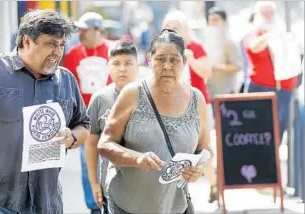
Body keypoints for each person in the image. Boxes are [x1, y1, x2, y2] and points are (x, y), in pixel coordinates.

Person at [0, 9, 90, 214]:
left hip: (44, 201)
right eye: (51, 44)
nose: (58, 52)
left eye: (61, 45)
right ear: (27, 41)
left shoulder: (65, 79)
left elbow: (83, 125)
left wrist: (71, 137)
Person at [97, 29, 213, 214]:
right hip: (128, 206)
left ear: (184, 62)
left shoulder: (196, 99)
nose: (167, 66)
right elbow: (104, 144)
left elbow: (205, 149)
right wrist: (137, 158)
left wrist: (197, 169)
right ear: (150, 60)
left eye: (174, 60)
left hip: (174, 206)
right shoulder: (132, 94)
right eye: (160, 59)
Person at [162, 10, 218, 203]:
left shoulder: (196, 47)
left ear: (184, 29)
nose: (171, 30)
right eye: (168, 27)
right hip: (173, 107)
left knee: (203, 148)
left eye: (176, 27)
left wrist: (189, 57)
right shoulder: (161, 50)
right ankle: (179, 196)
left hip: (199, 105)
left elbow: (206, 73)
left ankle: (214, 184)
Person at [62, 11, 112, 214]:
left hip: (112, 117)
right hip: (85, 119)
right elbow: (67, 86)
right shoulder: (73, 54)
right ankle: (94, 206)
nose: (80, 33)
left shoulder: (113, 50)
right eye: (79, 30)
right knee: (87, 163)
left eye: (85, 30)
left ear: (98, 30)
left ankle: (113, 202)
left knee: (112, 162)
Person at [85, 40, 139, 213]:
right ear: (108, 66)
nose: (122, 69)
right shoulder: (100, 99)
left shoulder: (150, 97)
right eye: (116, 63)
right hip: (111, 185)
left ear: (138, 66)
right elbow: (91, 143)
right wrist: (94, 183)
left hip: (144, 186)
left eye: (128, 63)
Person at [244, 1, 299, 141]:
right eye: (264, 13)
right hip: (260, 88)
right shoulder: (254, 33)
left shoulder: (284, 33)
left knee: (279, 127)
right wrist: (270, 35)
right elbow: (254, 47)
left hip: (284, 89)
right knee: (256, 128)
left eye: (271, 12)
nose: (268, 16)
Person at [206, 7, 242, 97]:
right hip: (210, 91)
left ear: (224, 22)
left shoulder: (229, 42)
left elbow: (237, 67)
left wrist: (215, 67)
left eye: (216, 20)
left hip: (226, 92)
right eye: (210, 20)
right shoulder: (207, 41)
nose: (212, 23)